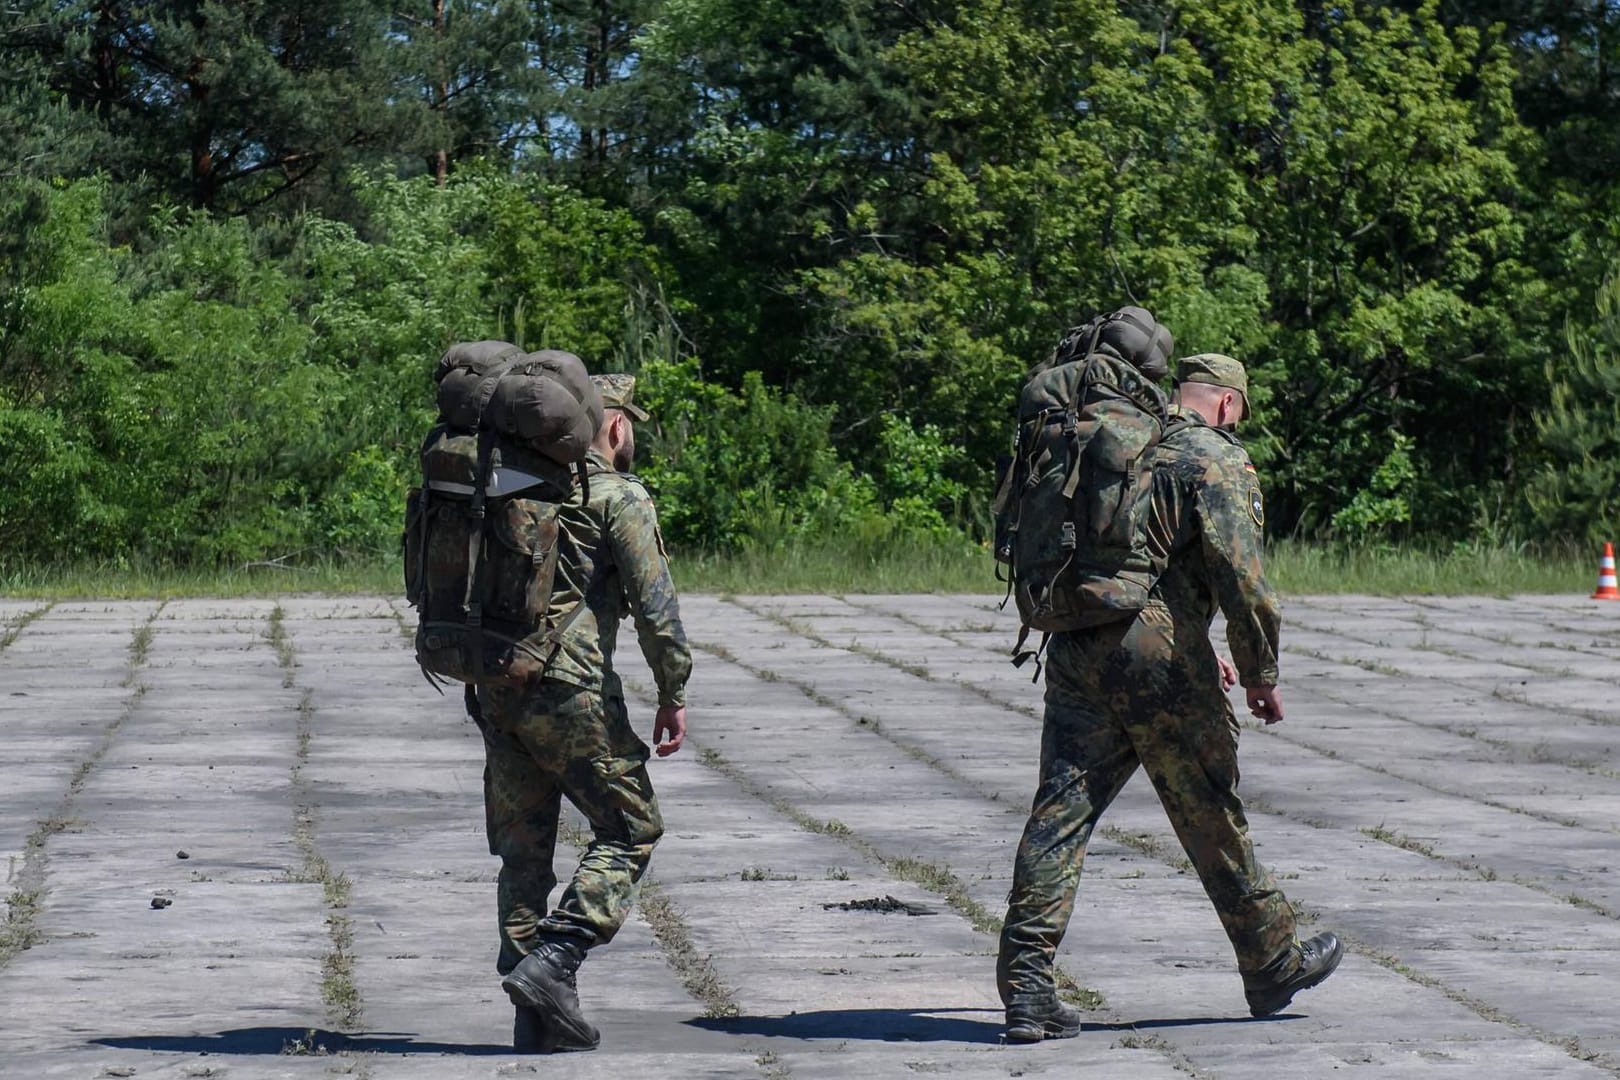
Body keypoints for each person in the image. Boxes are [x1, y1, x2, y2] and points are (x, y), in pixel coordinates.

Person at [996, 352, 1340, 1041]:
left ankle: (1027, 984)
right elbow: (1241, 580)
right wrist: (1260, 674)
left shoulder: (1116, 438)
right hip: (1155, 656)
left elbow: (1142, 563)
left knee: (1061, 809)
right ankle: (1272, 960)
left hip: (1077, 643)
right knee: (1207, 805)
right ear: (1227, 404)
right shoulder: (1212, 456)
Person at [475, 372, 691, 1053]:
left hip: (495, 686)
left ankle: (535, 1016)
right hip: (569, 691)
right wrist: (673, 691)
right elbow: (657, 612)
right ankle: (556, 959)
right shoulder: (617, 495)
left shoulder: (505, 485)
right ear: (616, 427)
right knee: (630, 829)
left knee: (524, 850)